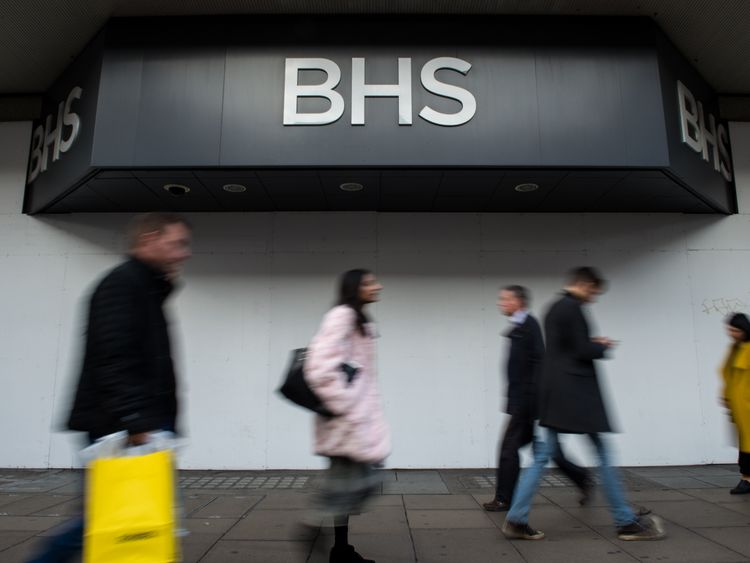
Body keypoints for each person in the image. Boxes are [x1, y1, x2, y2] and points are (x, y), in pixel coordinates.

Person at [26, 212, 192, 563]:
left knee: (124, 518)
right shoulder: (122, 284)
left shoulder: (143, 286)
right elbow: (114, 357)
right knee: (104, 520)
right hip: (119, 426)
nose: (183, 253)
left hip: (133, 423)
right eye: (177, 243)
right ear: (149, 239)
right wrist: (136, 423)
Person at [502, 267, 666, 542]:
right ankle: (625, 521)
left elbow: (564, 348)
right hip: (576, 395)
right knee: (602, 453)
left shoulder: (554, 307)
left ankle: (517, 518)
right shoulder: (572, 308)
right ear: (584, 284)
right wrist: (602, 346)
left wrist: (588, 344)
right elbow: (579, 350)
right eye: (593, 292)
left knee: (543, 457)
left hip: (555, 394)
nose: (593, 298)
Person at [304, 269, 391, 563]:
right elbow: (319, 366)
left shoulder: (357, 318)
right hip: (344, 421)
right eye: (369, 282)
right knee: (350, 486)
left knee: (350, 485)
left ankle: (339, 549)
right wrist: (346, 403)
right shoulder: (341, 315)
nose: (376, 286)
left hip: (353, 420)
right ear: (354, 287)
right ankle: (310, 527)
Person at [483, 285, 591, 512]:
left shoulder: (528, 326)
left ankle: (504, 499)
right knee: (547, 450)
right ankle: (581, 477)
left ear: (518, 302)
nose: (500, 303)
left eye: (505, 299)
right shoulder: (521, 326)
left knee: (508, 450)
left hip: (526, 403)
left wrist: (525, 403)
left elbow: (537, 366)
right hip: (526, 402)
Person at [720, 313, 750, 495]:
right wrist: (726, 396)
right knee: (745, 442)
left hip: (746, 404)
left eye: (735, 330)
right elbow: (728, 376)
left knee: (747, 443)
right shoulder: (735, 348)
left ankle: (746, 479)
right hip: (739, 405)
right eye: (729, 329)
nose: (731, 333)